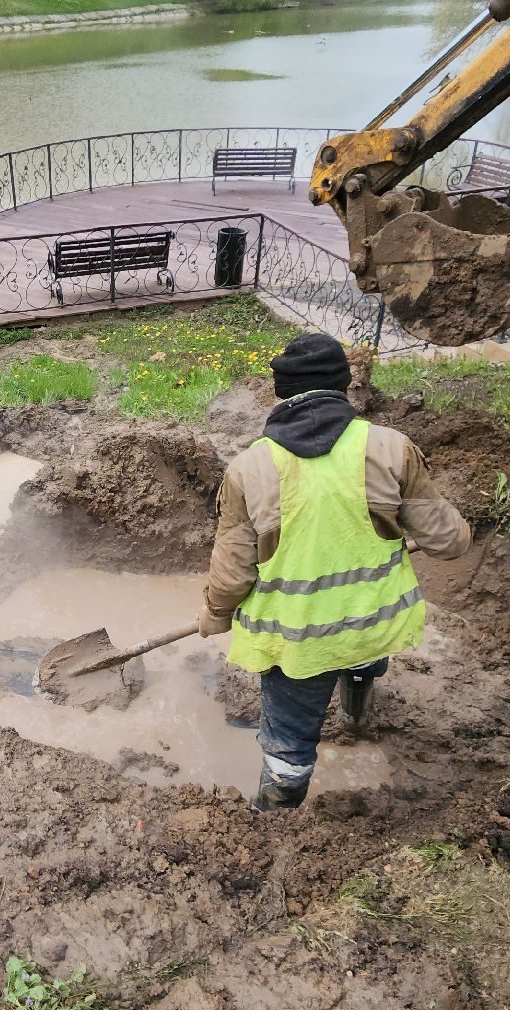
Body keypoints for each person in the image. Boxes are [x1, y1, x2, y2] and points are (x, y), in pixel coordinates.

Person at [197, 333, 472, 811]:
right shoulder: (391, 448)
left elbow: (233, 572)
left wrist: (215, 613)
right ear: (344, 385)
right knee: (362, 659)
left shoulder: (250, 468)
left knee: (289, 739)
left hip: (299, 641)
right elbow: (447, 542)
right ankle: (357, 718)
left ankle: (278, 814)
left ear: (280, 391)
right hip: (373, 622)